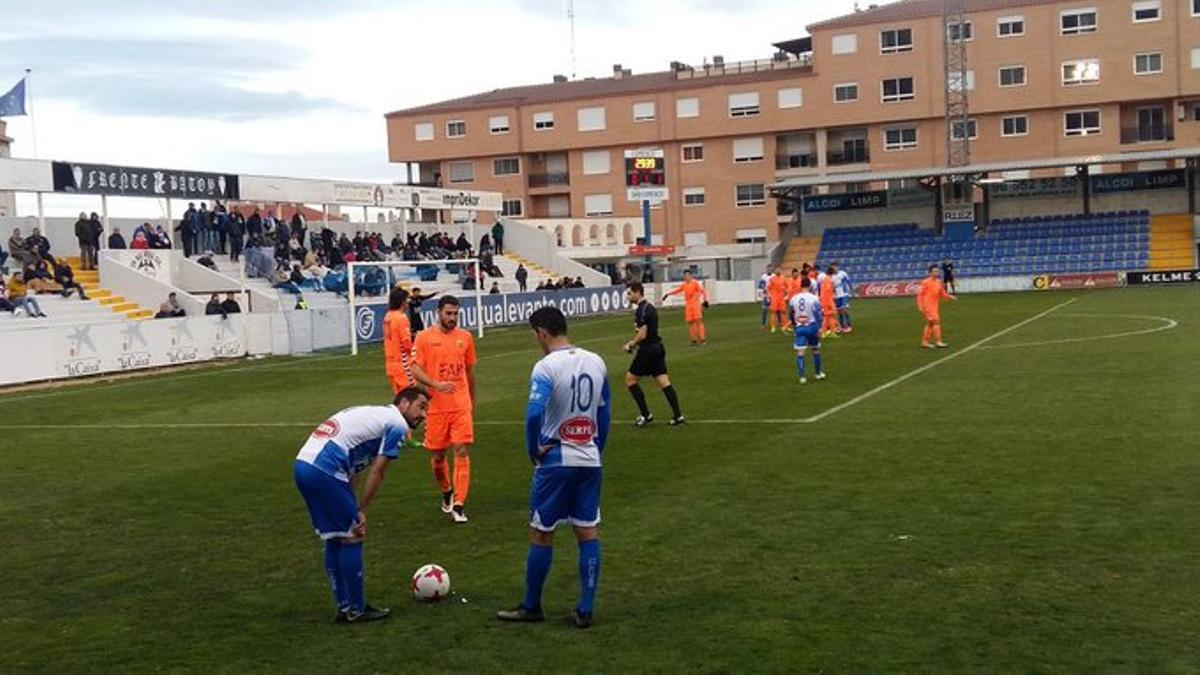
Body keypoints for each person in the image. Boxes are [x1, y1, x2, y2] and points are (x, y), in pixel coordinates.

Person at [496, 307, 609, 628]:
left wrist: (533, 449)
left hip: (557, 461)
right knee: (587, 530)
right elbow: (605, 411)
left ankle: (532, 605)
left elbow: (534, 414)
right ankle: (585, 609)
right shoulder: (596, 361)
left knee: (541, 532)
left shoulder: (546, 367)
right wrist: (594, 449)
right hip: (589, 458)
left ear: (542, 332)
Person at [293, 387, 430, 623]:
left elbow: (354, 467)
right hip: (325, 468)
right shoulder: (396, 423)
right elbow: (378, 471)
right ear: (404, 404)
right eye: (421, 406)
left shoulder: (377, 415)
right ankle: (356, 609)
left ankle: (344, 607)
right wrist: (361, 511)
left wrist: (352, 504)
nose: (424, 415)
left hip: (304, 465)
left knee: (336, 537)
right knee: (354, 533)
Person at [409, 296, 477, 524]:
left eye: (456, 314)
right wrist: (435, 384)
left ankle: (459, 504)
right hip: (436, 407)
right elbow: (414, 368)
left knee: (461, 451)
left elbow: (469, 372)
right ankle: (447, 491)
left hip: (460, 406)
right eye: (448, 313)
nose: (453, 318)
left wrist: (471, 401)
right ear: (439, 312)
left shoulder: (465, 337)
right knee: (438, 456)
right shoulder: (424, 337)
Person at [622, 282, 684, 427]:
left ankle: (646, 415)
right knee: (664, 382)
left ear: (638, 292)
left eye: (630, 293)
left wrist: (630, 344)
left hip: (648, 350)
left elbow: (642, 334)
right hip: (657, 348)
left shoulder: (642, 310)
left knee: (630, 380)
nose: (628, 296)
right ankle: (678, 416)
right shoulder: (649, 307)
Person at [788, 276, 826, 384]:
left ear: (801, 286)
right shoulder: (814, 298)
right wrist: (820, 327)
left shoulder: (794, 298)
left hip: (800, 327)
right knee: (815, 350)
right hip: (812, 326)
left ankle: (802, 377)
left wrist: (795, 324)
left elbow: (791, 313)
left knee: (800, 352)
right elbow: (817, 313)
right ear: (809, 285)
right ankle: (818, 374)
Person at [662, 270, 709, 346]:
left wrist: (705, 300)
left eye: (687, 275)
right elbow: (678, 290)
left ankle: (703, 339)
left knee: (698, 321)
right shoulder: (684, 285)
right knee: (690, 323)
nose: (686, 277)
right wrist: (668, 294)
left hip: (695, 305)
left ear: (691, 276)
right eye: (685, 276)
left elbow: (702, 291)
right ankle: (694, 340)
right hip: (688, 306)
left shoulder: (695, 283)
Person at [383, 286, 415, 393]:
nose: (408, 302)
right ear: (402, 302)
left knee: (399, 399)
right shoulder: (401, 318)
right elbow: (406, 344)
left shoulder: (388, 316)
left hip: (390, 365)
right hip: (402, 365)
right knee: (410, 398)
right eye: (407, 299)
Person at [918, 264, 955, 349]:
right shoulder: (926, 282)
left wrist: (949, 296)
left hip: (935, 306)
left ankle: (925, 342)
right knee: (936, 321)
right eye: (934, 271)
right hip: (928, 306)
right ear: (930, 273)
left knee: (930, 323)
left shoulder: (938, 281)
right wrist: (920, 306)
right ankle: (938, 341)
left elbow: (942, 293)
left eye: (937, 271)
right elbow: (920, 295)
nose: (936, 273)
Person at [831, 263, 853, 333]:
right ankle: (842, 326)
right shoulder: (831, 276)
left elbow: (848, 281)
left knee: (844, 309)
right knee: (839, 311)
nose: (834, 268)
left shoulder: (843, 273)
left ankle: (849, 325)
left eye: (835, 267)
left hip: (843, 294)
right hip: (836, 296)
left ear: (838, 267)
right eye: (833, 267)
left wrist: (851, 290)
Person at [819, 266, 839, 338]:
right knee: (830, 315)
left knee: (828, 317)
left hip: (825, 300)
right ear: (832, 273)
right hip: (828, 301)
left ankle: (829, 332)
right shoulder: (828, 280)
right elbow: (827, 291)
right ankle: (827, 332)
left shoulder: (825, 279)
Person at [766, 267, 787, 333]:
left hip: (781, 298)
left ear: (781, 271)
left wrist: (786, 295)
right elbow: (768, 288)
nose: (778, 271)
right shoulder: (772, 279)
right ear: (775, 271)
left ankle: (784, 326)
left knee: (783, 312)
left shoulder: (783, 278)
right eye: (777, 270)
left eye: (779, 270)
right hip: (774, 298)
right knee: (773, 312)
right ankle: (773, 327)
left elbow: (787, 287)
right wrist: (769, 296)